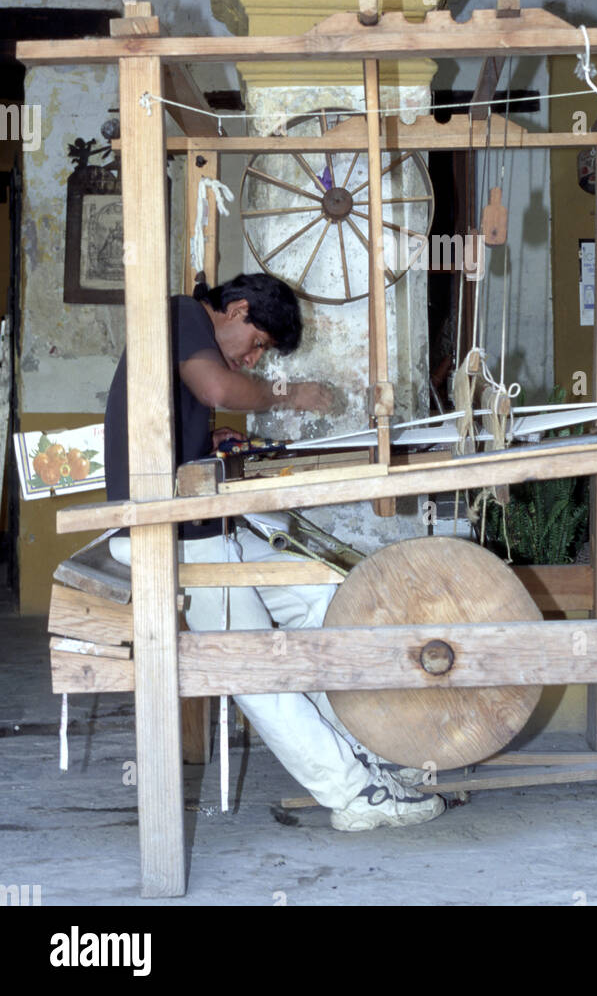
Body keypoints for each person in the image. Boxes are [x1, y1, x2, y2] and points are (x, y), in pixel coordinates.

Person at [105, 272, 445, 832]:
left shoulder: (186, 334)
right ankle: (353, 794)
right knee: (256, 664)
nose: (254, 360)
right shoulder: (180, 313)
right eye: (258, 343)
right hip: (162, 535)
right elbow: (216, 390)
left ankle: (369, 748)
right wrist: (292, 394)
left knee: (322, 599)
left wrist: (208, 443)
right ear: (237, 309)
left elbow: (188, 412)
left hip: (201, 528)